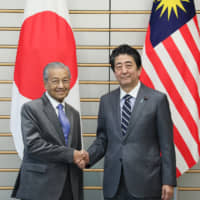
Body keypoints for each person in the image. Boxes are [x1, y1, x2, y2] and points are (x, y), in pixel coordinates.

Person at [83, 44, 177, 200]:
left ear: (139, 69)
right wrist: (88, 157)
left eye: (128, 65)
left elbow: (166, 144)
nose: (124, 71)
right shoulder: (106, 101)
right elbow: (102, 139)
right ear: (114, 72)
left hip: (147, 182)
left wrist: (168, 181)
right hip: (114, 183)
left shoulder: (157, 100)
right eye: (118, 66)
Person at [11, 62, 85, 200]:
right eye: (55, 81)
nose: (61, 86)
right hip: (40, 187)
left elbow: (75, 149)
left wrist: (80, 158)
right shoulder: (31, 109)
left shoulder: (73, 113)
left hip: (69, 187)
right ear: (45, 83)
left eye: (65, 81)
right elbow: (33, 145)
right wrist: (71, 154)